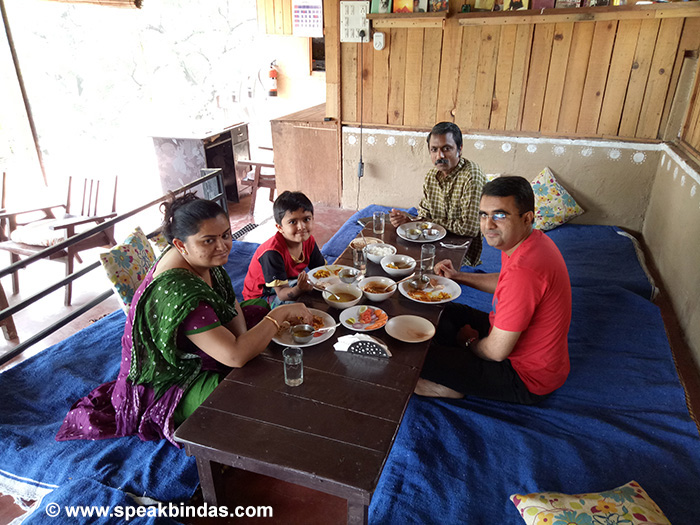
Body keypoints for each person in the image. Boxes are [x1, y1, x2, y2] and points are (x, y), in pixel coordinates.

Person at [56, 194, 312, 446]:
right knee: (239, 397)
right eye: (209, 240)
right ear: (180, 245)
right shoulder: (178, 291)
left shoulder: (201, 256)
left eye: (225, 235)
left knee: (256, 309)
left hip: (198, 346)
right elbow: (235, 356)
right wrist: (276, 317)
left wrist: (245, 339)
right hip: (169, 376)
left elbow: (229, 302)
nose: (222, 246)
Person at [415, 176, 572, 404]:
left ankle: (448, 387)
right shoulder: (532, 243)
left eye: (500, 215)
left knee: (414, 357)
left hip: (526, 377)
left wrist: (468, 342)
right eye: (484, 215)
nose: (488, 225)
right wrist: (458, 276)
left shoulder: (525, 271)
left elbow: (495, 352)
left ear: (527, 218)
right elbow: (505, 281)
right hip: (533, 352)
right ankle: (452, 366)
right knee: (448, 311)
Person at [389, 122, 487, 266]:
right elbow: (424, 214)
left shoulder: (471, 177)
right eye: (434, 150)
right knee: (395, 258)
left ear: (459, 149)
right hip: (432, 239)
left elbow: (469, 229)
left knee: (426, 273)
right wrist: (408, 220)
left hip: (460, 247)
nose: (439, 155)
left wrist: (427, 222)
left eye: (446, 149)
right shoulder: (431, 177)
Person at [243, 191, 325, 305]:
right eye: (292, 222)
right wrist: (299, 289)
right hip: (262, 295)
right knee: (299, 306)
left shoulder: (308, 240)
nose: (301, 227)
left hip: (288, 282)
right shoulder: (272, 252)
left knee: (321, 290)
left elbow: (322, 269)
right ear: (280, 228)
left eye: (306, 219)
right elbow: (281, 294)